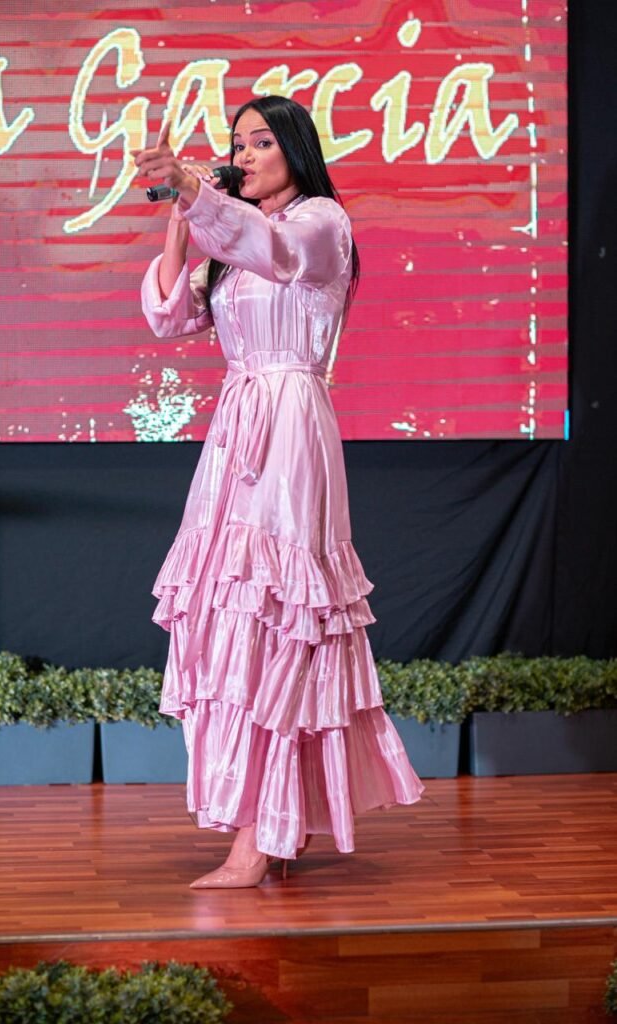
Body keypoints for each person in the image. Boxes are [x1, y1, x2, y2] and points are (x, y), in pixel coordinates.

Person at [133, 95, 425, 890]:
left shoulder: (319, 222)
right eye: (238, 145)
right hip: (236, 425)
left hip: (290, 422)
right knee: (227, 605)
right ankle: (271, 823)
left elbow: (279, 253)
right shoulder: (232, 239)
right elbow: (168, 316)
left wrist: (199, 195)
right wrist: (179, 213)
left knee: (277, 616)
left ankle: (258, 840)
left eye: (261, 142)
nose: (246, 156)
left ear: (296, 148)